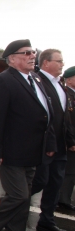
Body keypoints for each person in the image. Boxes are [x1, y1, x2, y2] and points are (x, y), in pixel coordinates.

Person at [0, 40, 55, 231]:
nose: (32, 55)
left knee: (24, 201)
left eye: (33, 52)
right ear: (12, 58)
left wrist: (50, 143)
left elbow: (46, 114)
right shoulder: (6, 80)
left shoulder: (35, 78)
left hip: (32, 152)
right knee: (18, 196)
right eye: (26, 53)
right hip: (12, 153)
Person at [31, 49, 74, 231]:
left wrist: (70, 140)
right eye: (59, 61)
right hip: (44, 146)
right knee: (38, 182)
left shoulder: (60, 85)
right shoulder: (37, 81)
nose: (62, 64)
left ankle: (46, 221)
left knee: (55, 184)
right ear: (46, 62)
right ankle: (10, 213)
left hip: (60, 146)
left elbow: (65, 117)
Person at [58, 66, 75, 211]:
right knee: (69, 171)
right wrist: (71, 141)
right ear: (69, 79)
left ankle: (64, 198)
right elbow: (68, 120)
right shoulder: (67, 94)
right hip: (69, 139)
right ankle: (62, 199)